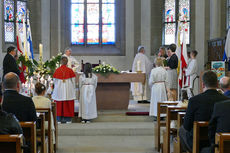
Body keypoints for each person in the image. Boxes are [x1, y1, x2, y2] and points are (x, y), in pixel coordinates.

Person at [179, 71, 229, 152]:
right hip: (220, 141)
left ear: (203, 85)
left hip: (198, 141)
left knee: (181, 130)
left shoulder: (194, 100)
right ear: (217, 84)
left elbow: (187, 126)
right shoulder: (226, 100)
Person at [52, 56, 76, 123]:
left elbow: (55, 81)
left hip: (59, 89)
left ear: (61, 62)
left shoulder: (57, 70)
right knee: (68, 103)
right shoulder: (70, 70)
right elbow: (73, 81)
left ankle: (58, 119)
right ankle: (68, 119)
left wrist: (57, 87)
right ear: (67, 62)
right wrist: (73, 88)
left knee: (59, 104)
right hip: (68, 89)